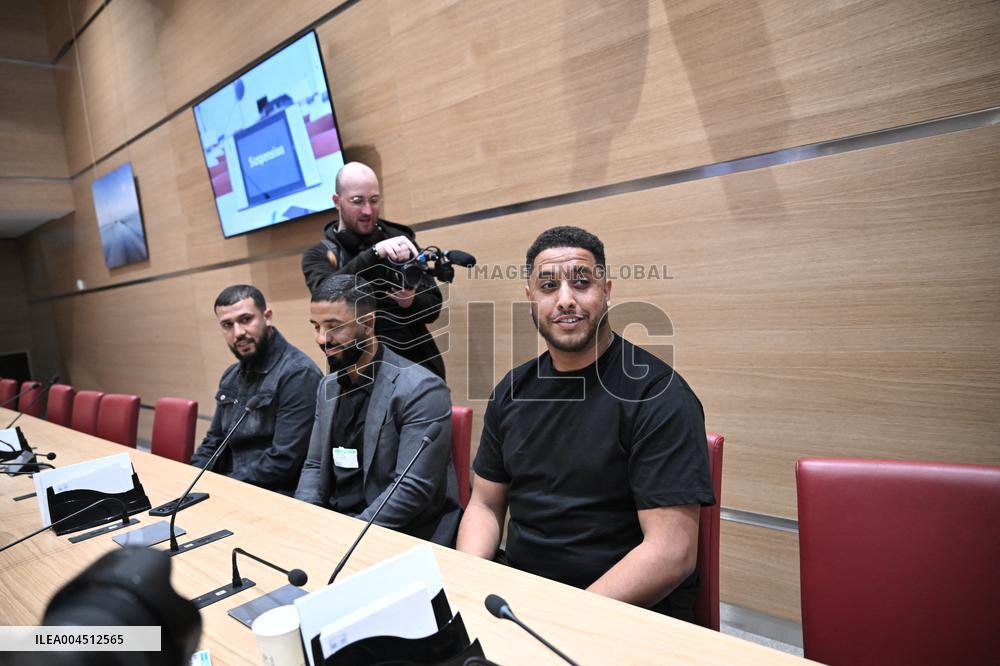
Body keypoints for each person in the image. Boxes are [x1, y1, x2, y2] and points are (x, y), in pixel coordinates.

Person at [456, 226, 715, 621]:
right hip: (519, 599)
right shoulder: (511, 391)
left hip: (619, 611)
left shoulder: (658, 395)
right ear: (530, 299)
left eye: (581, 283)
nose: (565, 300)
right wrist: (470, 582)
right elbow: (486, 505)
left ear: (607, 290)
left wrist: (565, 618)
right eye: (548, 286)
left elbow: (671, 553)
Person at [295, 275, 461, 545]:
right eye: (316, 326)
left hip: (401, 534)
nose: (322, 339)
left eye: (334, 327)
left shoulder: (421, 388)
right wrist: (307, 519)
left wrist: (348, 537)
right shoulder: (327, 386)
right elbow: (314, 465)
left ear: (368, 323)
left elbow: (411, 489)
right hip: (336, 525)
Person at [301, 162, 446, 379]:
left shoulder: (401, 241)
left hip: (417, 368)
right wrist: (374, 254)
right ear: (337, 201)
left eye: (374, 200)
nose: (368, 210)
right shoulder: (318, 255)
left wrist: (410, 302)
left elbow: (433, 307)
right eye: (357, 201)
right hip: (357, 374)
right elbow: (327, 297)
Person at [190, 285, 322, 495]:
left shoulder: (298, 374)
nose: (238, 333)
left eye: (245, 320)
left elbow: (284, 462)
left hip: (275, 494)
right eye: (227, 325)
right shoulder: (231, 375)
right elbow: (214, 442)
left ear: (267, 317)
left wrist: (220, 486)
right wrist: (190, 479)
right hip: (231, 487)